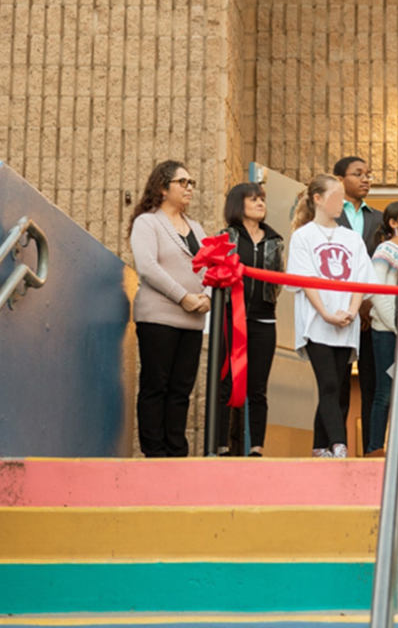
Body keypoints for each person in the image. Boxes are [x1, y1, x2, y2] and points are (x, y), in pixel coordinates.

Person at [288, 174, 378, 458]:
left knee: (338, 386)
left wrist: (351, 312)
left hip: (345, 322)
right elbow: (305, 278)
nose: (341, 202)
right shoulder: (303, 236)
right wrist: (326, 313)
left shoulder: (351, 237)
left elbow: (362, 279)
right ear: (317, 199)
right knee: (327, 382)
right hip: (317, 322)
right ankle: (340, 444)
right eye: (335, 197)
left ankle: (319, 445)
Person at [129, 160, 210, 457]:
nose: (189, 188)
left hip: (192, 322)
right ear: (163, 188)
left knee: (180, 391)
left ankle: (177, 452)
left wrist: (207, 297)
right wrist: (183, 297)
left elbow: (210, 268)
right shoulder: (147, 223)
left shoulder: (197, 228)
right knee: (156, 386)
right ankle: (155, 453)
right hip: (158, 318)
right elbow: (148, 267)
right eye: (182, 182)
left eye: (192, 183)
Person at [216, 182, 285, 458]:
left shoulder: (275, 240)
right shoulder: (226, 237)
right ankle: (220, 445)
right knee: (225, 382)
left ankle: (256, 448)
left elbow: (278, 279)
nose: (260, 203)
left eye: (262, 199)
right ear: (237, 204)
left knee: (258, 388)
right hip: (231, 318)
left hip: (264, 320)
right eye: (253, 199)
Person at [334, 156, 382, 455]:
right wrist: (350, 306)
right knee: (336, 384)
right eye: (358, 174)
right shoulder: (327, 217)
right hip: (336, 312)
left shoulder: (379, 218)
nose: (366, 179)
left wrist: (366, 304)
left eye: (368, 174)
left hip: (372, 313)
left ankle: (372, 450)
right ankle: (335, 446)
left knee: (373, 385)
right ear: (340, 180)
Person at [366, 200, 398, 457]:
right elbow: (376, 291)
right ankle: (375, 448)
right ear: (393, 223)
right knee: (385, 391)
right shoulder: (385, 250)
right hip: (387, 331)